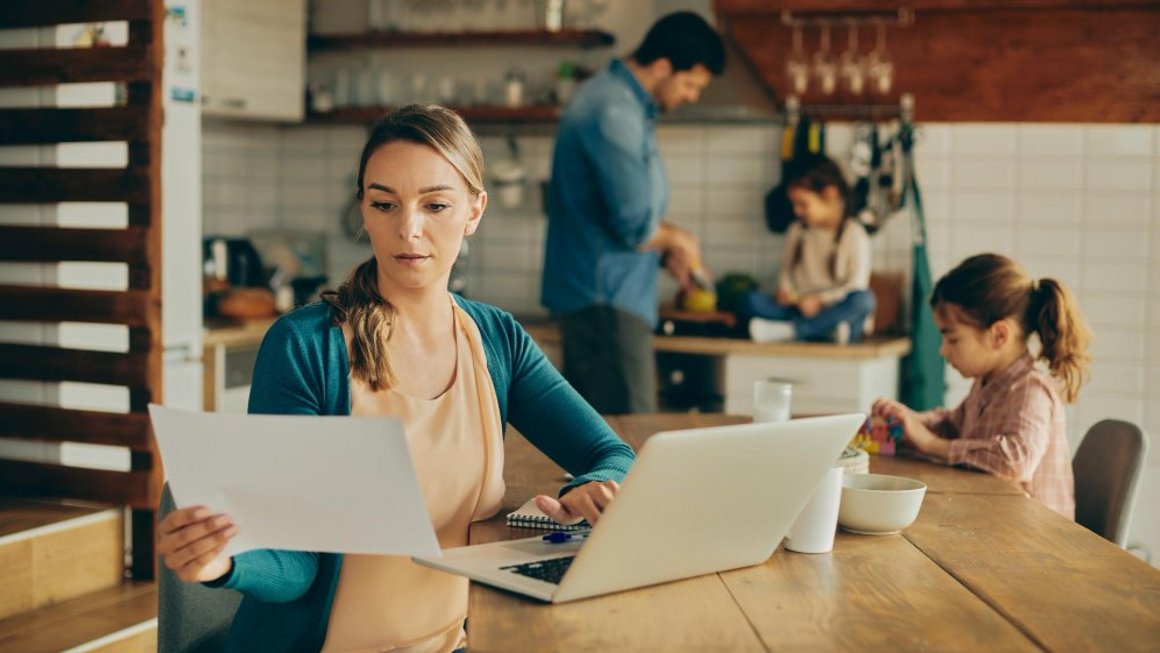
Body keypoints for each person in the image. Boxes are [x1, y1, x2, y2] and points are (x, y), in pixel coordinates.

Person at [157, 105, 637, 653]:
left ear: (474, 211)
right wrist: (222, 562)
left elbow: (612, 453)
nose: (408, 229)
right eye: (385, 204)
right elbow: (296, 563)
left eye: (435, 205)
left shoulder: (497, 339)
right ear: (363, 209)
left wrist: (590, 489)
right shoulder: (305, 347)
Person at [541, 11, 726, 414]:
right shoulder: (613, 111)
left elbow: (628, 214)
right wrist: (678, 239)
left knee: (608, 447)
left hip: (606, 300)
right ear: (662, 66)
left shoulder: (624, 105)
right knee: (627, 445)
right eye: (691, 84)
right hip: (605, 304)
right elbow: (634, 222)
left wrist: (668, 246)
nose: (692, 96)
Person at [871, 253, 1091, 518]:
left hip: (1034, 543)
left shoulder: (1031, 390)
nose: (942, 350)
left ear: (999, 335)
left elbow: (1015, 461)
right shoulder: (988, 382)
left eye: (952, 339)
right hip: (996, 524)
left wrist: (930, 443)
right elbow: (954, 423)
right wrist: (911, 420)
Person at [742, 155, 876, 345]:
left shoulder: (854, 233)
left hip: (833, 308)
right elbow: (786, 270)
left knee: (863, 300)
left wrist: (820, 300)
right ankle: (823, 331)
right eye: (794, 204)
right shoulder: (797, 230)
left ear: (829, 194)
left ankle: (794, 331)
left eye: (803, 204)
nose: (797, 211)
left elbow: (855, 284)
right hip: (798, 308)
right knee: (750, 300)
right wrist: (787, 291)